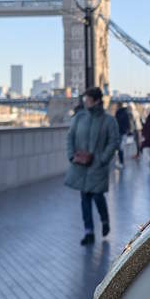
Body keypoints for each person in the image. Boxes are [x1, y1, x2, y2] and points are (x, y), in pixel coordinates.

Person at [64, 87, 120, 246]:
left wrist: (103, 159)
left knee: (97, 196)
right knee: (85, 199)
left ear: (96, 101)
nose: (85, 102)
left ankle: (104, 220)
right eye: (84, 100)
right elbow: (70, 137)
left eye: (87, 100)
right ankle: (88, 231)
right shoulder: (79, 118)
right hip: (81, 165)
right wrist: (71, 155)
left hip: (97, 165)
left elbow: (114, 141)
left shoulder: (109, 121)